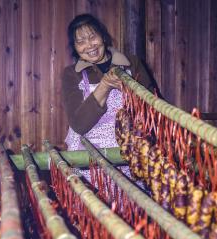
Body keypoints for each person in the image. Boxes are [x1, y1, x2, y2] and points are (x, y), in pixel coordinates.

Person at [62, 14, 155, 155]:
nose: (89, 45)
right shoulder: (72, 74)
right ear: (75, 48)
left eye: (93, 37)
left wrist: (129, 90)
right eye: (80, 42)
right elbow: (79, 124)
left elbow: (152, 109)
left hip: (131, 154)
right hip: (88, 158)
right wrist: (104, 86)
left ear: (103, 37)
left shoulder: (131, 64)